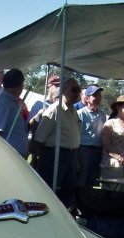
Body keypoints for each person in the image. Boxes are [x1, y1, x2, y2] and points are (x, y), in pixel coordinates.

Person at [30, 77, 82, 209]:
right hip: (55, 155)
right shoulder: (55, 110)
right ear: (64, 91)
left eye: (79, 90)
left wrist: (76, 158)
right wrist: (42, 158)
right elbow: (39, 138)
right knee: (49, 190)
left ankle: (64, 215)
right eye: (74, 90)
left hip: (70, 155)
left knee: (67, 191)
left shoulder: (73, 111)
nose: (77, 93)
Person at [75, 85, 106, 206]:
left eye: (99, 95)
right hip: (84, 150)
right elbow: (76, 136)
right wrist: (77, 158)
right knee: (81, 180)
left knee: (92, 180)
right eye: (95, 95)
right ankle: (77, 205)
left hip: (97, 151)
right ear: (87, 98)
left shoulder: (102, 115)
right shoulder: (80, 114)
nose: (98, 97)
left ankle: (87, 205)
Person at [0, 68, 28, 157]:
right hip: (9, 156)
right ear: (18, 86)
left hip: (13, 155)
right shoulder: (5, 103)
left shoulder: (10, 101)